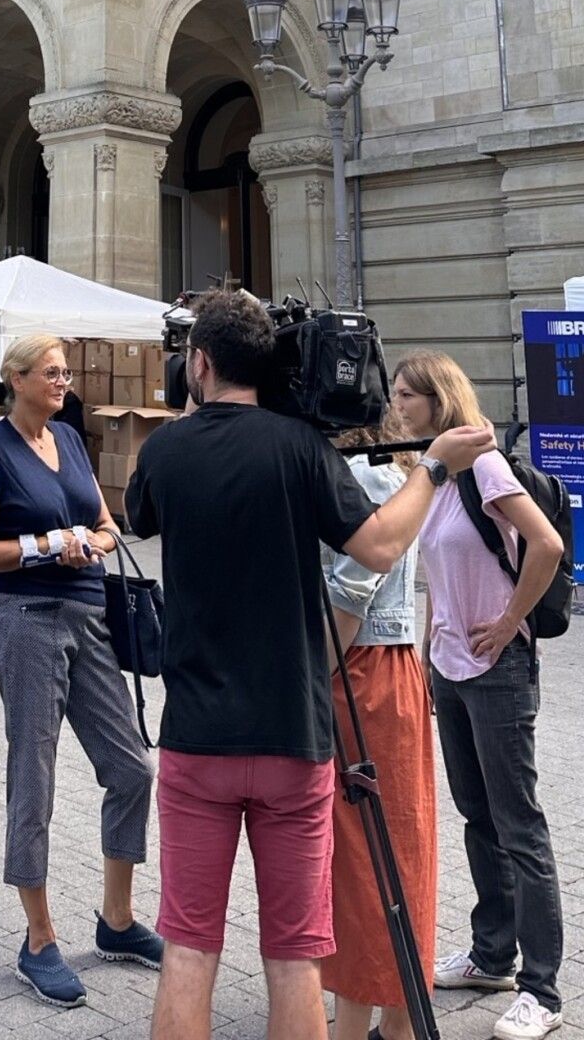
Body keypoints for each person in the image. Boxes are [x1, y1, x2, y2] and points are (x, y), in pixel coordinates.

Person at [124, 290, 494, 1040]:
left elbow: (139, 515)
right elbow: (383, 546)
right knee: (295, 956)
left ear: (198, 363)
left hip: (197, 737)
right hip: (295, 736)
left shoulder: (165, 450)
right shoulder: (302, 451)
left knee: (190, 948)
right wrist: (435, 467)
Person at [0, 330, 161, 1009]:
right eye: (51, 372)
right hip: (28, 620)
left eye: (66, 372)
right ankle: (39, 939)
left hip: (90, 617)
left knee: (133, 767)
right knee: (34, 777)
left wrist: (91, 541)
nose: (64, 381)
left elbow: (111, 525)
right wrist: (48, 543)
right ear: (15, 379)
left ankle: (117, 920)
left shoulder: (71, 441)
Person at [390, 353, 568, 1040]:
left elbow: (544, 544)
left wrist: (508, 621)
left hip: (496, 670)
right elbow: (436, 568)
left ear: (439, 400)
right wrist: (432, 645)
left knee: (518, 823)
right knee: (476, 816)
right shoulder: (430, 474)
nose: (398, 405)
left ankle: (543, 991)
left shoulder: (486, 466)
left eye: (409, 395)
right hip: (450, 670)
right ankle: (493, 954)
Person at [320, 421, 436, 1040]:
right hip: (391, 668)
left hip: (359, 668)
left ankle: (356, 1022)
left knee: (361, 857)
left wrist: (314, 675)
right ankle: (396, 1017)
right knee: (402, 845)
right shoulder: (394, 471)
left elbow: (350, 590)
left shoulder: (360, 475)